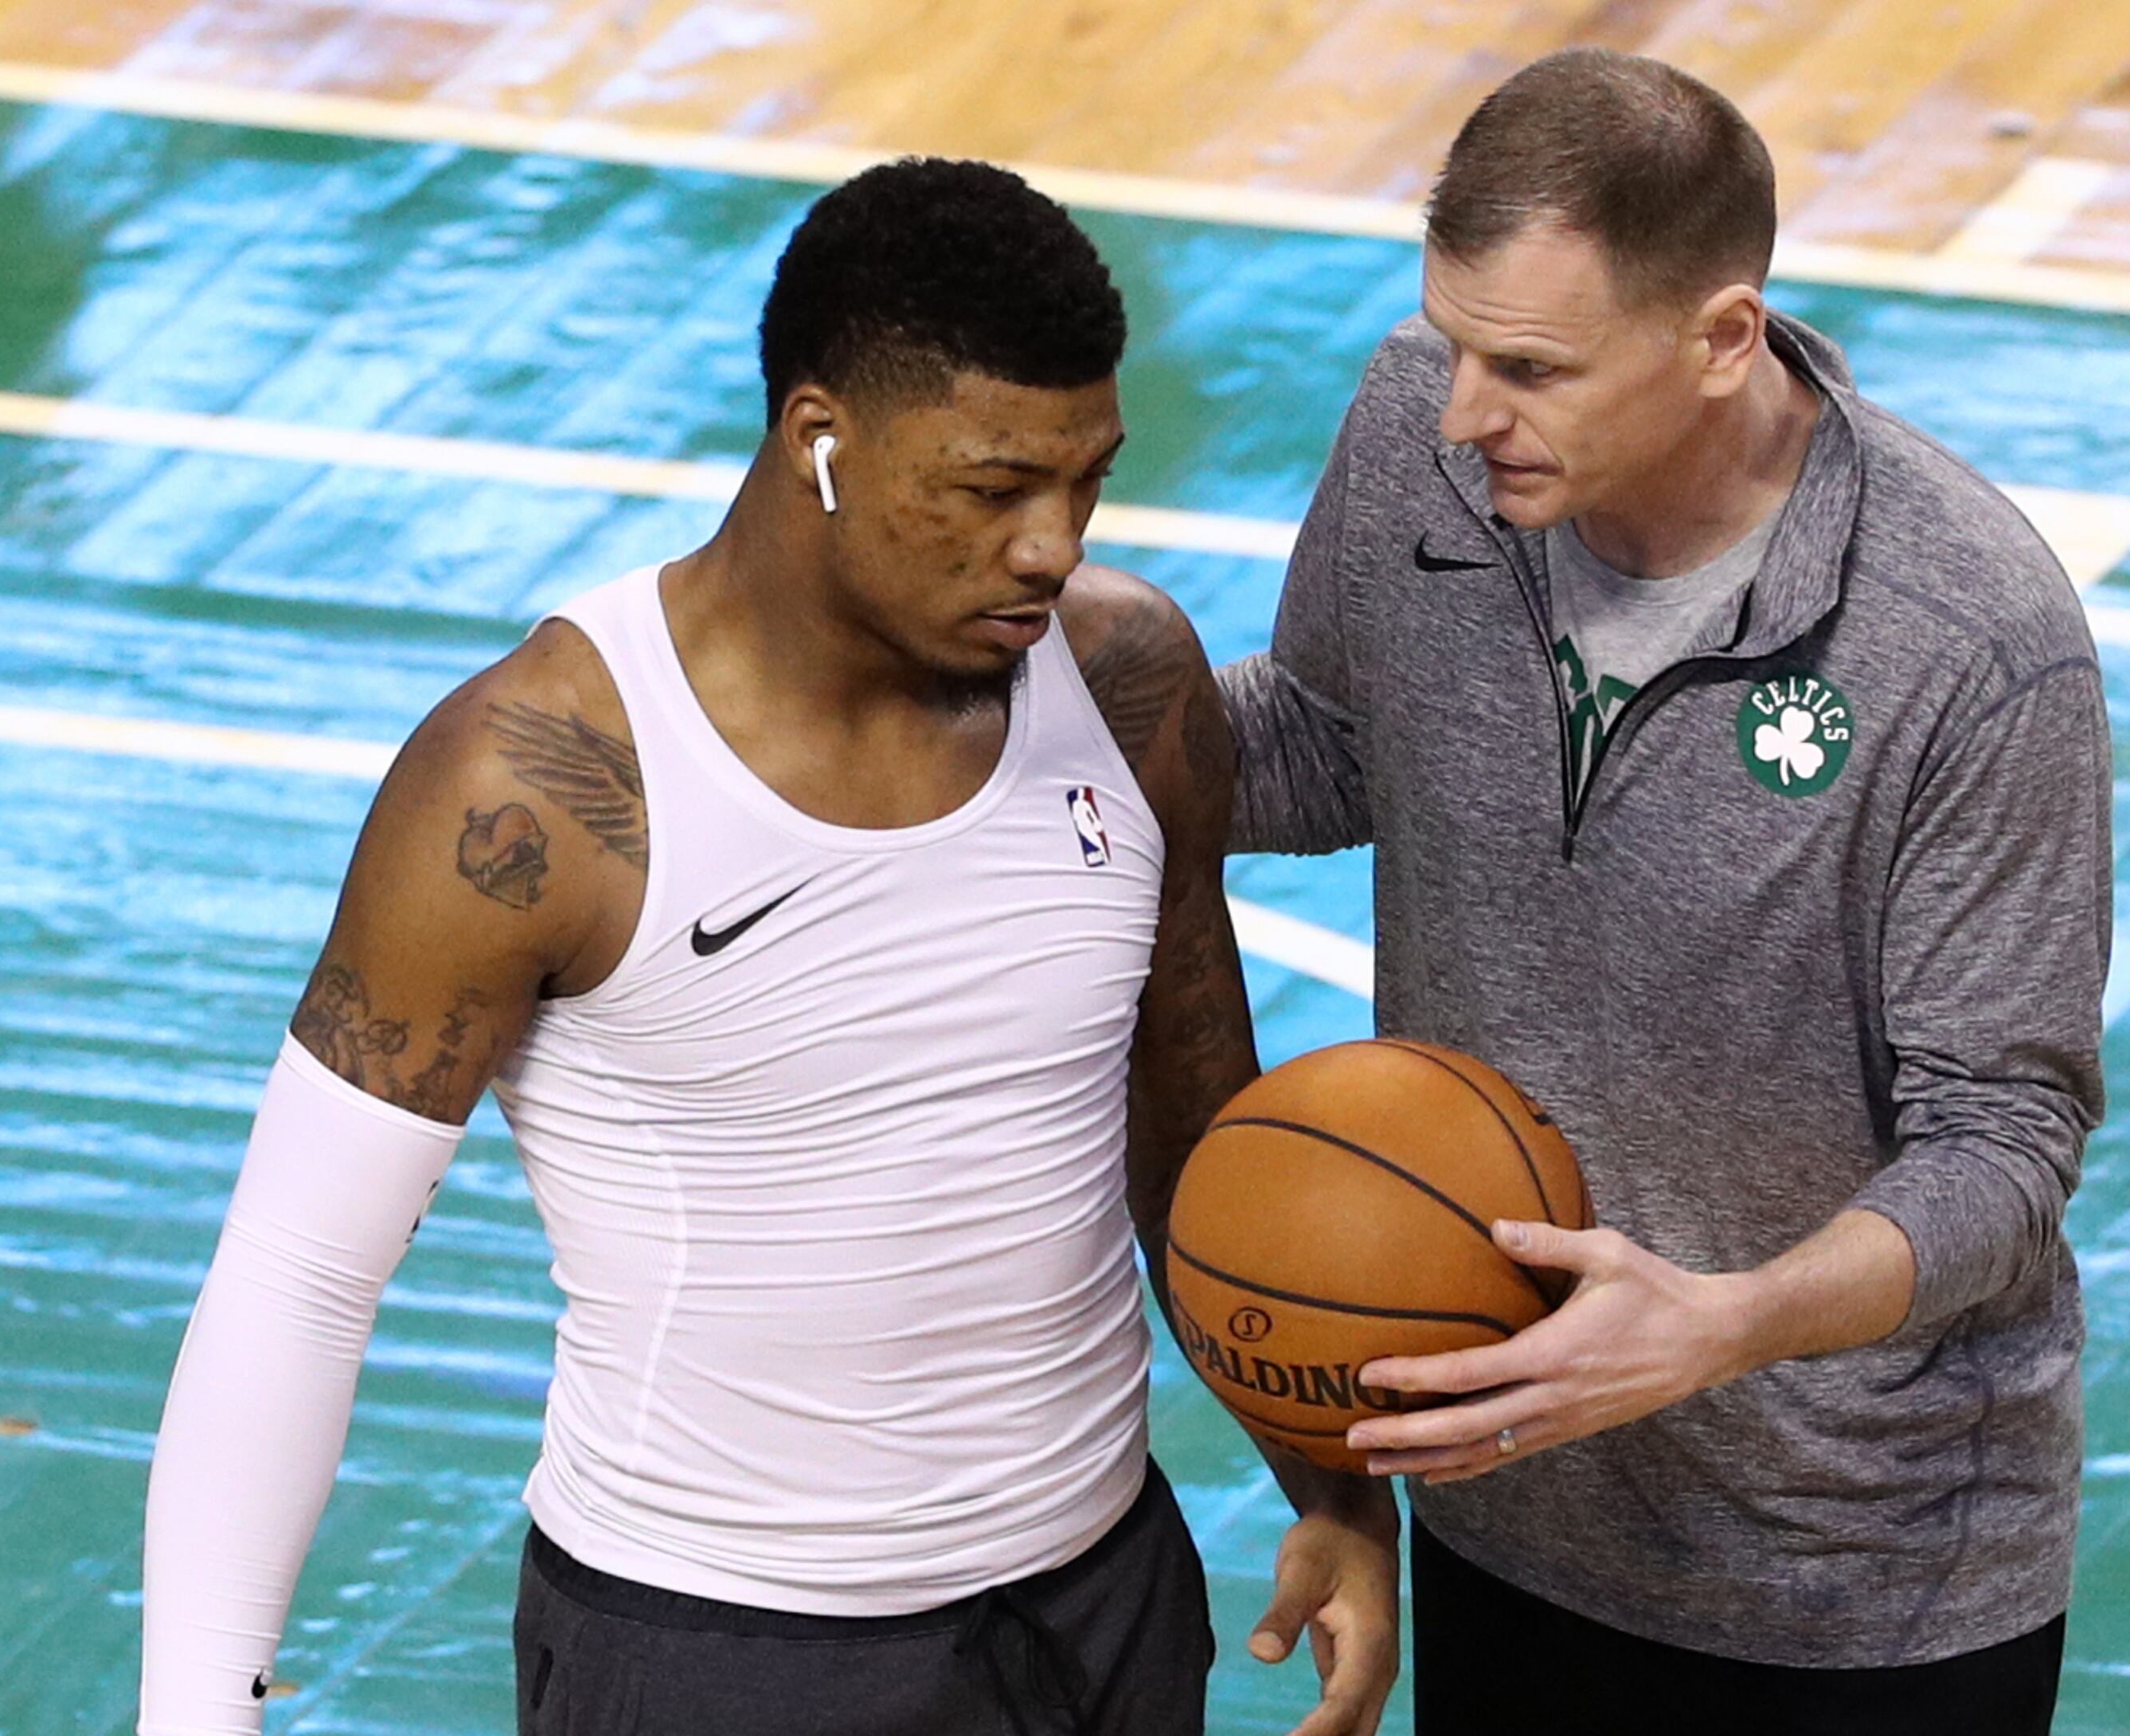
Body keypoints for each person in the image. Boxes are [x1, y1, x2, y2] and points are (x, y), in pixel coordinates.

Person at [137, 157, 1395, 1736]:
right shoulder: (538, 784)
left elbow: (1201, 1123)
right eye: (994, 488)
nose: (1053, 545)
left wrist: (1337, 1497)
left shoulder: (1127, 681)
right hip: (716, 1655)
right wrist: (195, 1707)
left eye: (1086, 481)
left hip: (1100, 1609)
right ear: (820, 444)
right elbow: (299, 1275)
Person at [1219, 49, 2109, 1735]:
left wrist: (1723, 1324)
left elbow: (2001, 1149)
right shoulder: (1433, 449)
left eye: (1532, 368)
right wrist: (1026, 709)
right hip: (1513, 1499)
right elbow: (1331, 746)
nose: (1464, 411)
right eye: (1454, 341)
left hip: (1858, 1581)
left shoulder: (1970, 643)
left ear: (1723, 338)